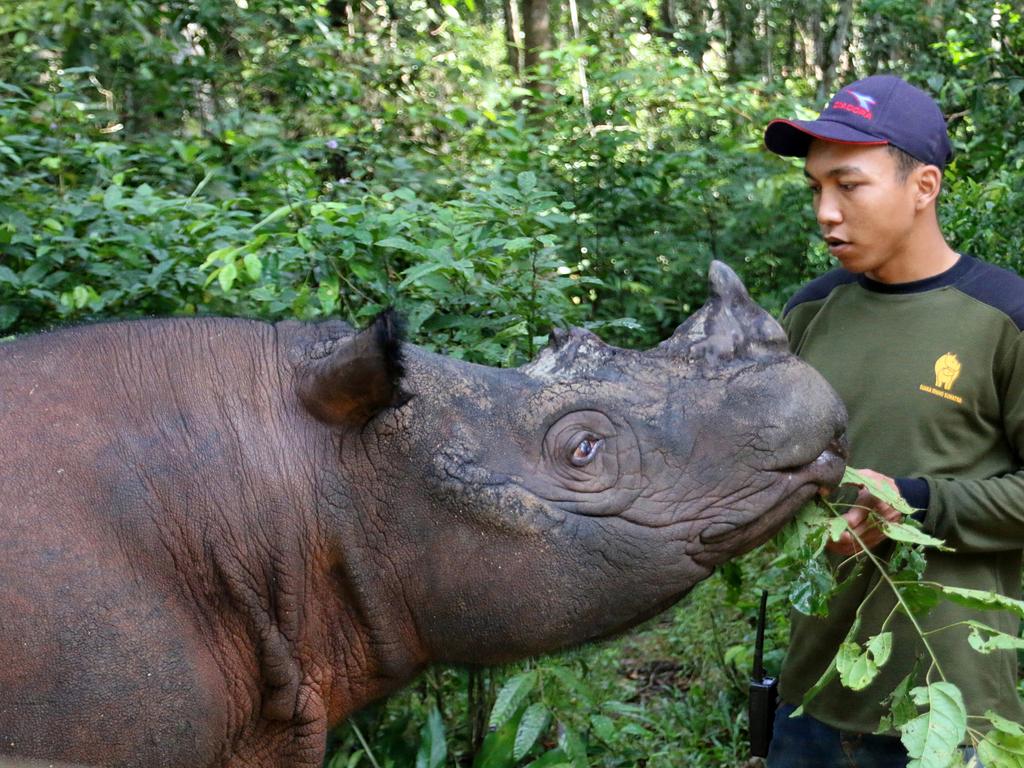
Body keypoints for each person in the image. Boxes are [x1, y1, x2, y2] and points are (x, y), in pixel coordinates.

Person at [761, 73, 1024, 766]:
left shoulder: (1005, 318)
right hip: (812, 698)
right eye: (815, 188)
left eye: (849, 185)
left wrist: (913, 503)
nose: (825, 211)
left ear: (924, 187)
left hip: (953, 713)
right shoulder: (810, 312)